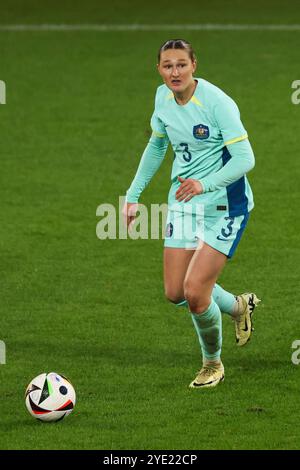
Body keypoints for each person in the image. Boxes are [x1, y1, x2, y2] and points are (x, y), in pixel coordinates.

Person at [123, 39, 260, 389]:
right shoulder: (162, 98)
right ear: (159, 69)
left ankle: (212, 364)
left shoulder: (217, 103)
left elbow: (246, 160)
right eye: (167, 65)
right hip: (184, 202)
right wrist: (134, 195)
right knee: (175, 292)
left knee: (196, 295)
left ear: (194, 65)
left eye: (181, 64)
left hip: (225, 206)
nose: (174, 72)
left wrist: (205, 183)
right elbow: (157, 144)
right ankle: (238, 306)